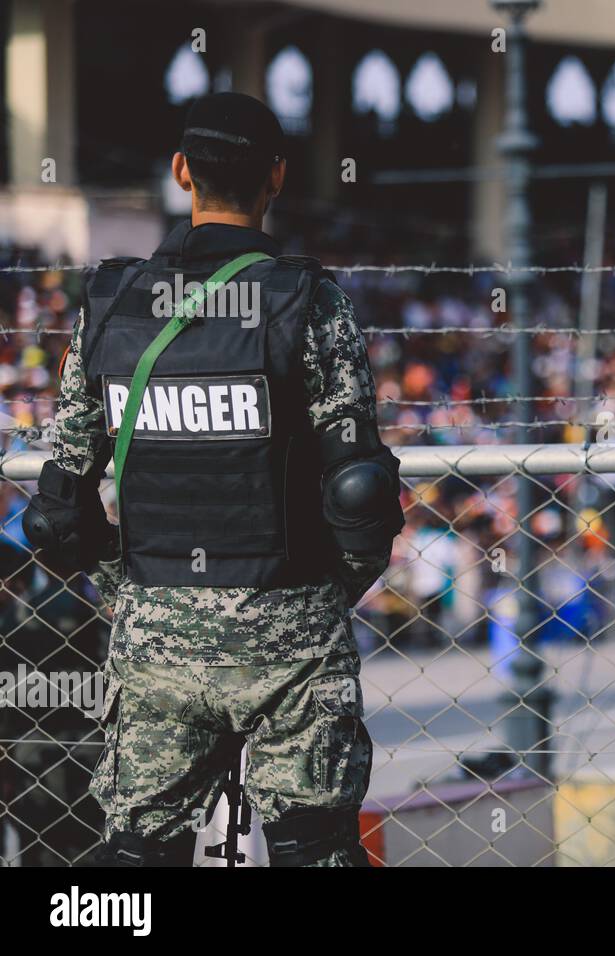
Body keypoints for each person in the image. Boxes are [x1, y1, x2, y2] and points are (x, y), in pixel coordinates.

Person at [21, 92, 405, 866]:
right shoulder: (309, 301)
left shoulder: (112, 303)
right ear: (277, 177)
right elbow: (359, 494)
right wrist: (321, 595)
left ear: (181, 172)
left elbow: (59, 507)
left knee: (134, 857)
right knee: (315, 847)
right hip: (289, 626)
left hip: (154, 631)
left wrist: (127, 587)